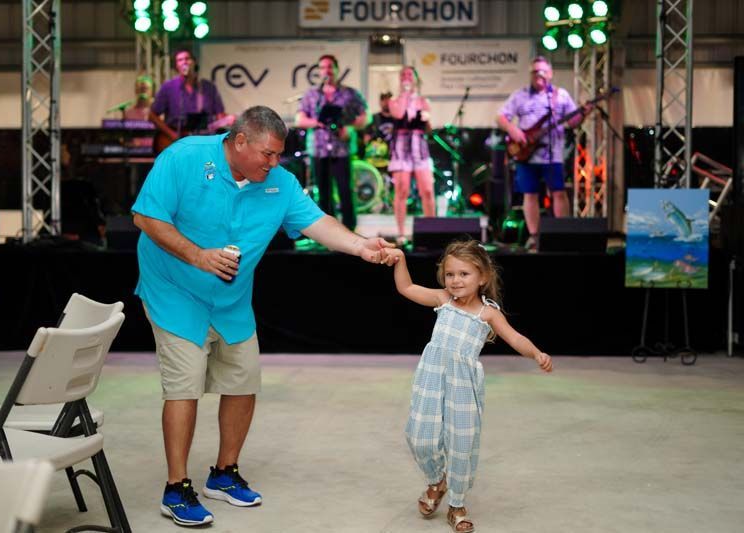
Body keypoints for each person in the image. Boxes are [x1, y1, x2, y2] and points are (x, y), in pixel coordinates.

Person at [131, 106, 395, 527]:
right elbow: (145, 216)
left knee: (242, 380)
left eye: (279, 155)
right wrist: (198, 256)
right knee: (185, 386)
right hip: (174, 292)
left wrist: (361, 246)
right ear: (239, 142)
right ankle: (176, 486)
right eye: (267, 155)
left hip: (232, 300)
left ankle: (224, 473)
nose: (274, 163)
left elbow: (318, 223)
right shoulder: (183, 158)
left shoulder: (280, 184)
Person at [384, 240, 552, 533]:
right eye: (450, 274)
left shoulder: (488, 313)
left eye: (464, 274)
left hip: (463, 384)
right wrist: (399, 260)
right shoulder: (442, 300)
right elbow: (406, 288)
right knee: (420, 436)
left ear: (482, 277)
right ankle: (438, 480)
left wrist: (536, 353)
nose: (455, 281)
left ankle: (457, 504)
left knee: (461, 445)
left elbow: (515, 338)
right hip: (432, 377)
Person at [496, 56, 591, 250]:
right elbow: (501, 117)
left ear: (550, 74)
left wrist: (584, 113)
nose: (538, 75)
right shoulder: (520, 95)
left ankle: (562, 234)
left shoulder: (560, 95)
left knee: (558, 192)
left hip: (553, 154)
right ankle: (534, 236)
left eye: (542, 71)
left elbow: (573, 122)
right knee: (529, 194)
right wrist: (513, 130)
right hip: (526, 154)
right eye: (535, 71)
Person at [296, 54, 368, 230]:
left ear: (336, 69)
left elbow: (365, 116)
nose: (326, 71)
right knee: (324, 192)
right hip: (319, 149)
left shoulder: (349, 93)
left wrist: (350, 128)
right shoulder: (313, 94)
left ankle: (350, 230)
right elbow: (300, 119)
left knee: (345, 190)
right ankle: (329, 232)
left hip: (340, 149)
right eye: (322, 68)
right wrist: (317, 122)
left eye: (329, 67)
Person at [149, 49, 235, 153]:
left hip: (202, 141)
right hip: (174, 140)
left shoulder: (208, 87)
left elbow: (219, 116)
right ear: (176, 66)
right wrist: (171, 134)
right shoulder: (168, 87)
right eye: (180, 60)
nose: (184, 62)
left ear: (194, 62)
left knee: (207, 167)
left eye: (187, 59)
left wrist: (228, 120)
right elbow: (152, 115)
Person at [388, 66, 435, 244]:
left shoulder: (423, 101)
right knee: (402, 191)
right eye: (403, 75)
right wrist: (406, 95)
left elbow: (429, 129)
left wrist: (426, 118)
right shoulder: (394, 101)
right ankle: (401, 233)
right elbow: (399, 114)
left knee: (428, 190)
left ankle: (432, 231)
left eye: (410, 74)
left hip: (419, 148)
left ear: (416, 78)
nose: (406, 77)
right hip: (401, 149)